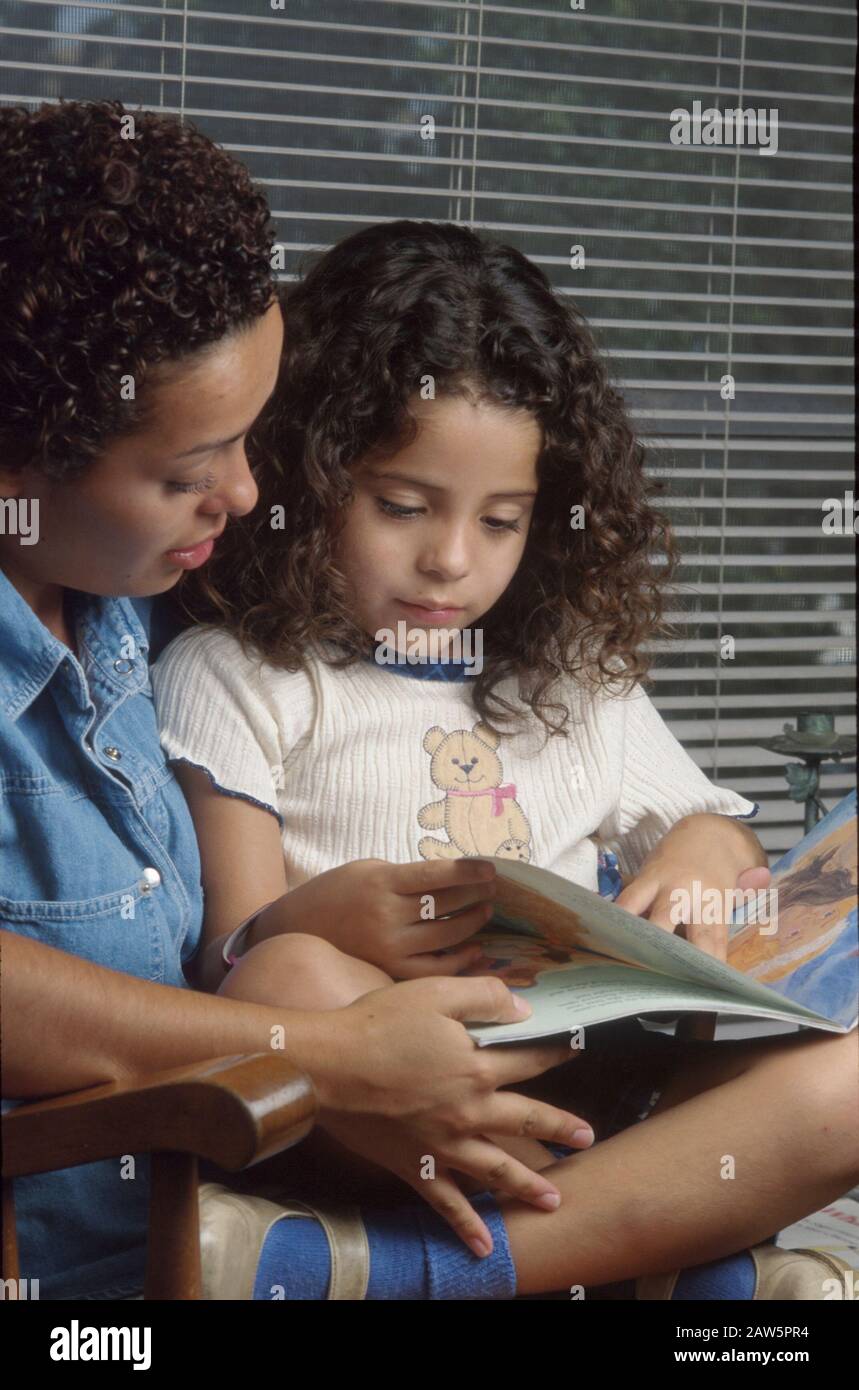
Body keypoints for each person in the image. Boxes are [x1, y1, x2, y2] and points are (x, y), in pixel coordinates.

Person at [149, 221, 859, 1300]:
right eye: (402, 507)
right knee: (288, 979)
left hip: (593, 1091)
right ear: (311, 469)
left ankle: (451, 1270)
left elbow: (711, 825)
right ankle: (663, 1261)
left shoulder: (572, 678)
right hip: (385, 1095)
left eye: (503, 520)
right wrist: (323, 912)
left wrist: (703, 858)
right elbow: (229, 956)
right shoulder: (241, 672)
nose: (450, 559)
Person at [0, 100, 591, 1303]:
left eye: (252, 436)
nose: (247, 489)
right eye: (184, 471)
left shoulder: (137, 594)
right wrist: (327, 1057)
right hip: (99, 1265)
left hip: (254, 1178)